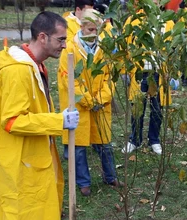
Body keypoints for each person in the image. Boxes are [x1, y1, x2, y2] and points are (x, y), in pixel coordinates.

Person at [0, 11, 79, 220]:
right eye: (60, 39)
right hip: (21, 163)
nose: (64, 45)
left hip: (34, 158)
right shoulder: (18, 71)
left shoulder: (36, 66)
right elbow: (11, 121)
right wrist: (57, 121)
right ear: (43, 37)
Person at [58, 9, 123, 197]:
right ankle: (83, 182)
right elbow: (69, 80)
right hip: (78, 105)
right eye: (90, 29)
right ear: (82, 27)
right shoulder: (70, 49)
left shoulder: (104, 48)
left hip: (100, 105)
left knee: (104, 143)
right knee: (78, 147)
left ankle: (110, 176)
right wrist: (87, 100)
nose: (94, 34)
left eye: (97, 30)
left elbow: (109, 78)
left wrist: (101, 99)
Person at [121, 3, 176, 155]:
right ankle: (135, 140)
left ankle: (154, 140)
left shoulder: (168, 22)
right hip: (139, 72)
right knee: (137, 108)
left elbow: (173, 47)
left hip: (159, 74)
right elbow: (125, 45)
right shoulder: (134, 20)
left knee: (157, 109)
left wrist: (172, 71)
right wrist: (124, 70)